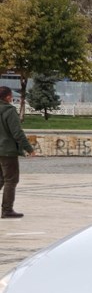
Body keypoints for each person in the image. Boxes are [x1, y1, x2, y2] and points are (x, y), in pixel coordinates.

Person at [0, 86, 35, 218]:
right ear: (8, 97)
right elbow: (17, 133)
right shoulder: (9, 110)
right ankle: (7, 210)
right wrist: (29, 148)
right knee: (11, 180)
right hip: (7, 151)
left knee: (0, 179)